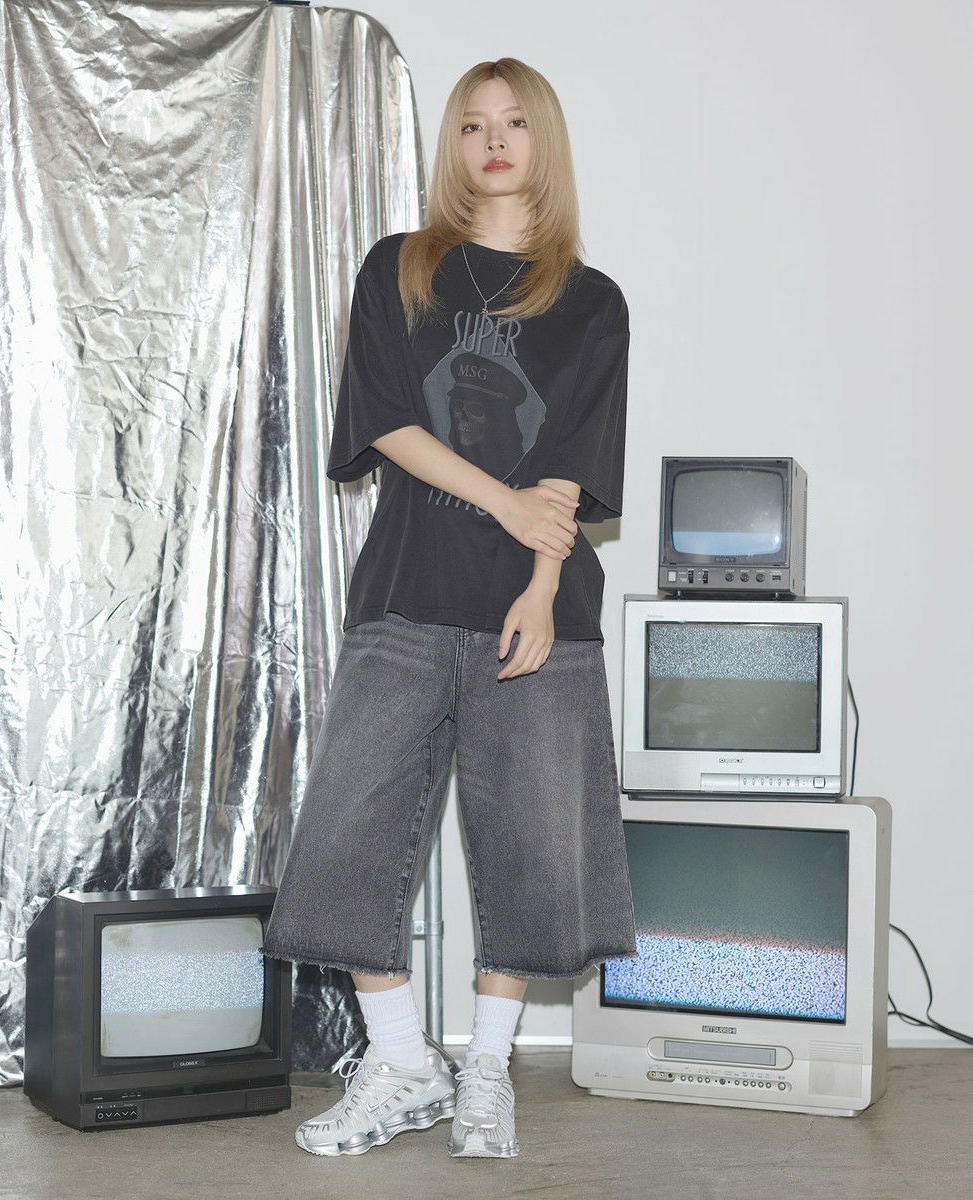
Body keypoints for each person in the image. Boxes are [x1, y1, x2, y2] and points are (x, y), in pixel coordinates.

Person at [262, 56, 638, 1159]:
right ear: (453, 145)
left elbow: (571, 470)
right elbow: (384, 421)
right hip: (406, 592)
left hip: (537, 605)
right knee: (348, 833)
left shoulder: (592, 302)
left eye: (514, 122)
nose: (493, 141)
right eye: (472, 124)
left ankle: (485, 1072)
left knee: (531, 845)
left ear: (543, 140)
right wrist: (502, 501)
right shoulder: (401, 268)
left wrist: (540, 585)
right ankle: (399, 1061)